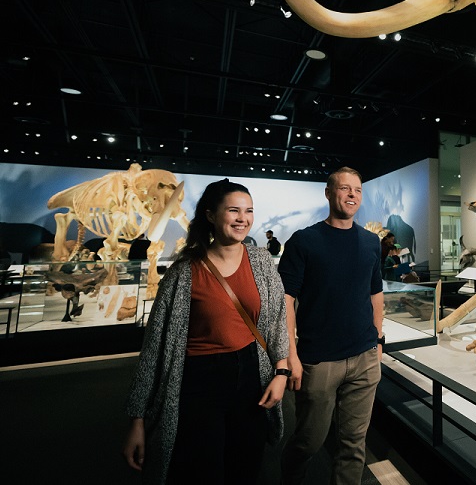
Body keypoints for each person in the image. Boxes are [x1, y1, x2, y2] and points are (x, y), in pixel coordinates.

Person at [122, 179, 290, 485]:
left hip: (252, 374)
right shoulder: (183, 272)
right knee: (202, 469)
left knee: (246, 465)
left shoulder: (263, 262)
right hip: (199, 382)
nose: (243, 218)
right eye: (234, 210)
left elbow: (278, 320)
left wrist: (281, 372)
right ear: (211, 215)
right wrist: (137, 419)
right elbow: (155, 348)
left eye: (249, 211)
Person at [278, 167, 383, 485]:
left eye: (358, 190)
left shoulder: (370, 242)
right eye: (345, 188)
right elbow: (285, 302)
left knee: (353, 446)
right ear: (328, 192)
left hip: (365, 359)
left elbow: (375, 294)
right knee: (309, 441)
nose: (352, 194)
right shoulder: (304, 242)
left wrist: (378, 340)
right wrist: (290, 353)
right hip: (318, 360)